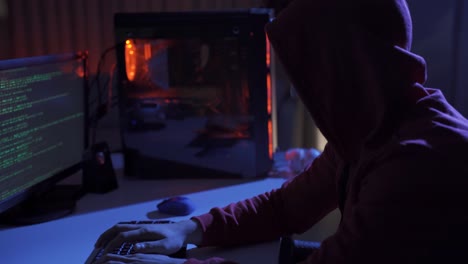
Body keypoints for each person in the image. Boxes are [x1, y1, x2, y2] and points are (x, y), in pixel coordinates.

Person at [95, 0, 468, 263]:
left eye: (306, 76)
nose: (300, 93)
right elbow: (287, 206)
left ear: (343, 67)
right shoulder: (374, 123)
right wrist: (190, 229)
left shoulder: (418, 162)